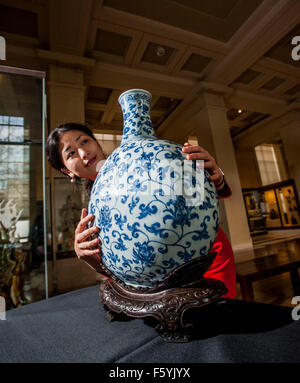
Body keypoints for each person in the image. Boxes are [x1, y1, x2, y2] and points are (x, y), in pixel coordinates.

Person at [46, 122, 236, 298]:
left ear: (96, 142)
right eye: (70, 153)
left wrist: (215, 179)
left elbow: (195, 200)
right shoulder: (92, 208)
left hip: (204, 259)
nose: (83, 152)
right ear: (66, 171)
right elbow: (120, 271)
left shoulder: (142, 160)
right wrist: (89, 257)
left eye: (85, 141)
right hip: (155, 283)